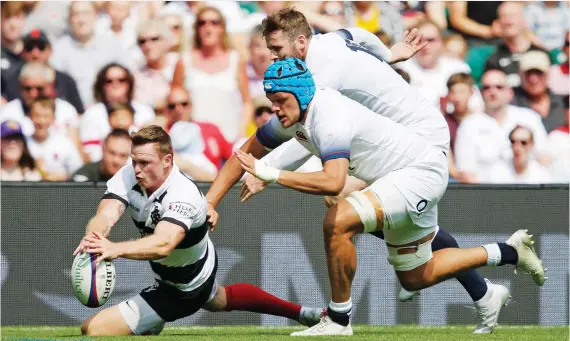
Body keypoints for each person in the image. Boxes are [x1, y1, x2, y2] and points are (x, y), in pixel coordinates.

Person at [206, 58, 545, 336]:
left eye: (281, 100)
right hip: (405, 175)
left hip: (417, 174)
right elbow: (242, 155)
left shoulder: (330, 117)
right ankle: (508, 252)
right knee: (416, 276)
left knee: (338, 220)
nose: (275, 109)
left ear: (299, 93)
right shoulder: (292, 117)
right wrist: (210, 202)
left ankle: (338, 319)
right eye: (272, 101)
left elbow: (333, 181)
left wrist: (272, 174)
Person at [237, 8, 507, 333]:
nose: (273, 57)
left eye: (277, 50)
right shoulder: (328, 41)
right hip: (406, 136)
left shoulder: (317, 76)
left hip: (417, 140)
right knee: (374, 217)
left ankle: (340, 316)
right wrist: (390, 54)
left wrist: (267, 170)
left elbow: (304, 136)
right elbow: (358, 35)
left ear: (300, 42)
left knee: (339, 202)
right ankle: (479, 287)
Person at [73, 125, 323, 336]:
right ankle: (303, 313)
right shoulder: (130, 175)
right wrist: (95, 237)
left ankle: (151, 322)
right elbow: (106, 213)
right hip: (182, 267)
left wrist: (114, 249)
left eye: (145, 163)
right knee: (219, 299)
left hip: (184, 287)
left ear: (167, 160)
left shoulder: (183, 194)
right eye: (134, 161)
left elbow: (163, 244)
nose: (137, 169)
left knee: (93, 330)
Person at [172, 6, 253, 143]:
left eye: (214, 23)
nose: (208, 28)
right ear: (196, 29)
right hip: (194, 142)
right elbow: (174, 99)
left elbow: (247, 102)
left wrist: (240, 134)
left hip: (229, 140)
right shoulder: (184, 61)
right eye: (202, 23)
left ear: (222, 28)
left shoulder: (235, 60)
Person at [26, 97, 83, 181]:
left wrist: (63, 178)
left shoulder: (64, 143)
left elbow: (79, 174)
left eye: (46, 116)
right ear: (29, 116)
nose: (41, 121)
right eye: (37, 115)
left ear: (53, 118)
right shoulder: (23, 142)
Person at [481, 125, 552, 184]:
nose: (517, 147)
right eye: (513, 142)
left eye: (523, 143)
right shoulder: (496, 172)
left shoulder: (542, 176)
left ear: (532, 145)